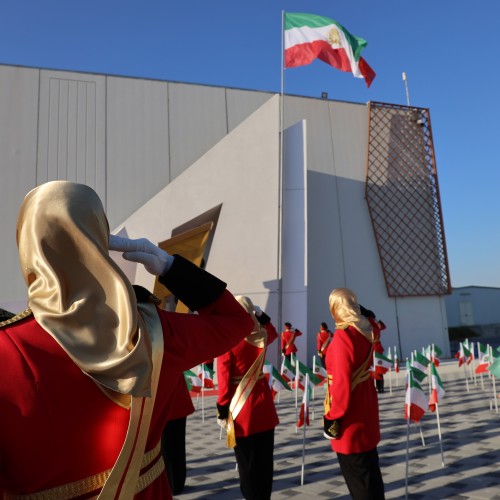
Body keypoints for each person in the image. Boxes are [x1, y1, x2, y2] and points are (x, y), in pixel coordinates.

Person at [0, 180, 254, 498]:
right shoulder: (155, 330)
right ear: (100, 236)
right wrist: (170, 266)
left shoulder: (6, 350)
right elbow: (236, 321)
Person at [323, 288, 385, 500]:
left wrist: (332, 418)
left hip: (349, 414)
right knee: (371, 473)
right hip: (365, 403)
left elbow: (340, 384)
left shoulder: (343, 338)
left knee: (359, 479)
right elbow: (376, 326)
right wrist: (363, 313)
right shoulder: (366, 330)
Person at [216, 297, 279, 500]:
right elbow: (273, 333)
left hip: (242, 410)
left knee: (247, 465)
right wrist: (262, 316)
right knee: (264, 463)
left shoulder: (229, 340)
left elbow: (224, 381)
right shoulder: (260, 334)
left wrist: (222, 410)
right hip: (264, 407)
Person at [161, 375, 194, 495]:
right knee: (177, 446)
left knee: (167, 449)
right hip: (177, 400)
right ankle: (177, 483)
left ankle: (172, 484)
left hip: (162, 404)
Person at [360, 306, 387, 394]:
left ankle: (376, 387)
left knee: (372, 370)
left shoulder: (367, 323)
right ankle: (381, 387)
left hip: (371, 349)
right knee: (379, 369)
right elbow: (383, 327)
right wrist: (377, 319)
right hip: (378, 349)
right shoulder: (376, 323)